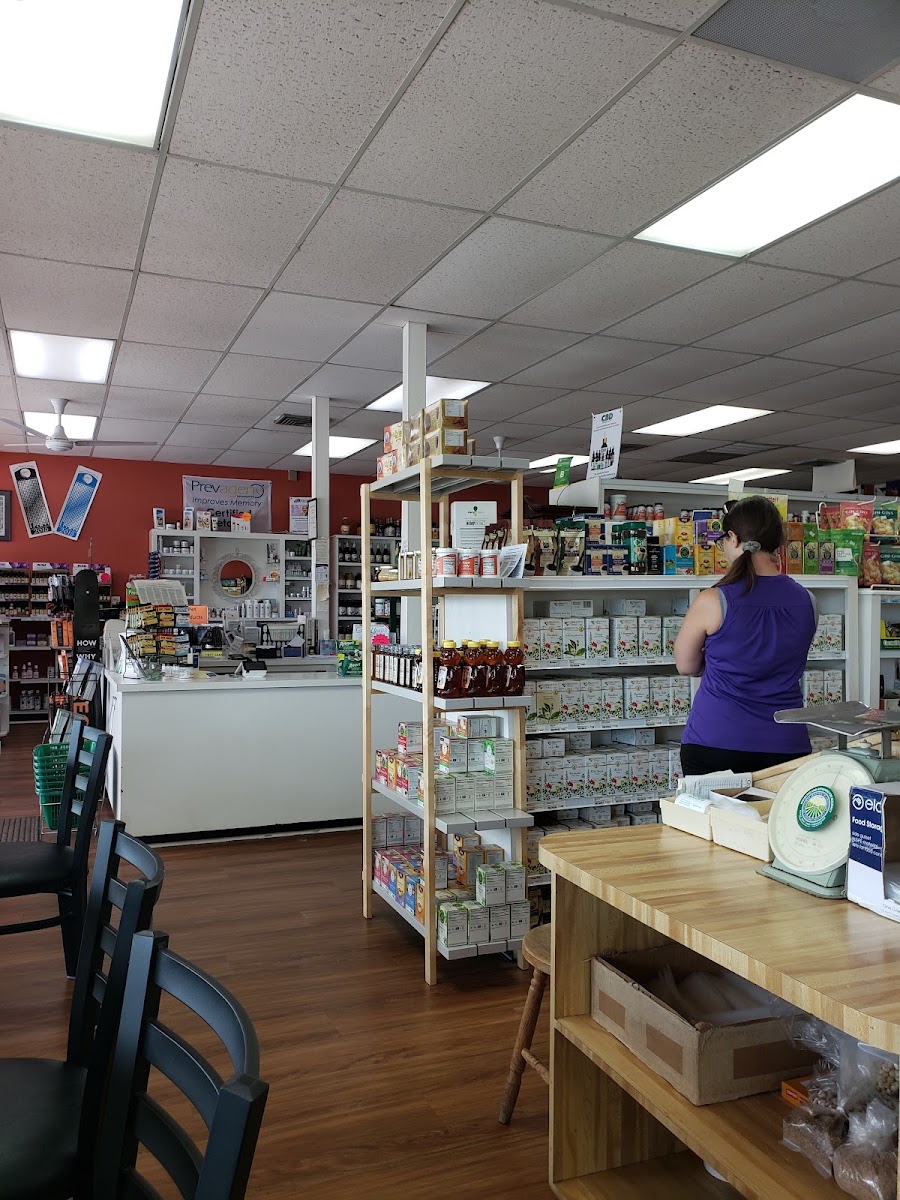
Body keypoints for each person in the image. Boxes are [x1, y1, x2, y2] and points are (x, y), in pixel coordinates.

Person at [674, 495, 816, 777]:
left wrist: (717, 661)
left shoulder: (712, 600)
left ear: (733, 538)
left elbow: (686, 666)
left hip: (715, 741)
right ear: (779, 542)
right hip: (786, 745)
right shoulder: (808, 601)